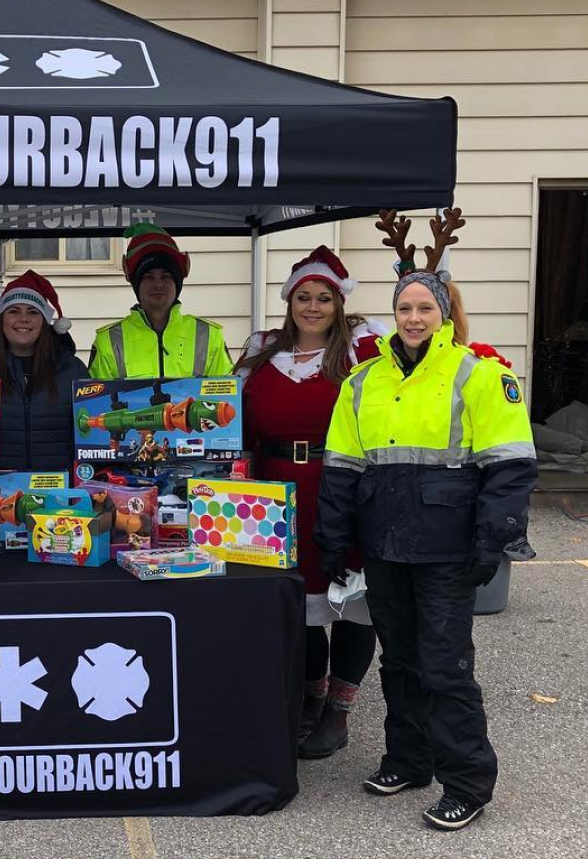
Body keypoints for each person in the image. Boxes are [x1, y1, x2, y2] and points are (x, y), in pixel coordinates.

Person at [316, 209, 537, 831]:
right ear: (394, 313)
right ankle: (408, 759)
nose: (414, 319)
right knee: (401, 661)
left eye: (425, 309)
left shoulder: (481, 375)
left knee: (446, 666)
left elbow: (511, 468)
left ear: (444, 314)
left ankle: (466, 779)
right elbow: (342, 468)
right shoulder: (363, 381)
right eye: (405, 308)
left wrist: (493, 540)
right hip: (385, 545)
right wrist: (335, 539)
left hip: (447, 548)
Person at [235, 246, 385, 760]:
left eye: (324, 297)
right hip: (275, 492)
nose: (314, 307)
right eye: (304, 296)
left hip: (343, 486)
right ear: (290, 301)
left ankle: (339, 712)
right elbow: (235, 425)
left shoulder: (363, 351)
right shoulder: (260, 352)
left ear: (340, 304)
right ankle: (310, 695)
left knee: (349, 603)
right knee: (297, 602)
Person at [0, 270, 88, 471]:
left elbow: (89, 436)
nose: (23, 319)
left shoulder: (72, 370)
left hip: (61, 493)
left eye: (33, 312)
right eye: (14, 311)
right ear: (1, 320)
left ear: (45, 321)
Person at [89, 223, 232, 379]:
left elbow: (227, 397)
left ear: (177, 284)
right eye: (149, 277)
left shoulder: (210, 336)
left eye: (166, 276)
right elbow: (93, 400)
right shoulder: (108, 341)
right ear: (136, 285)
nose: (158, 284)